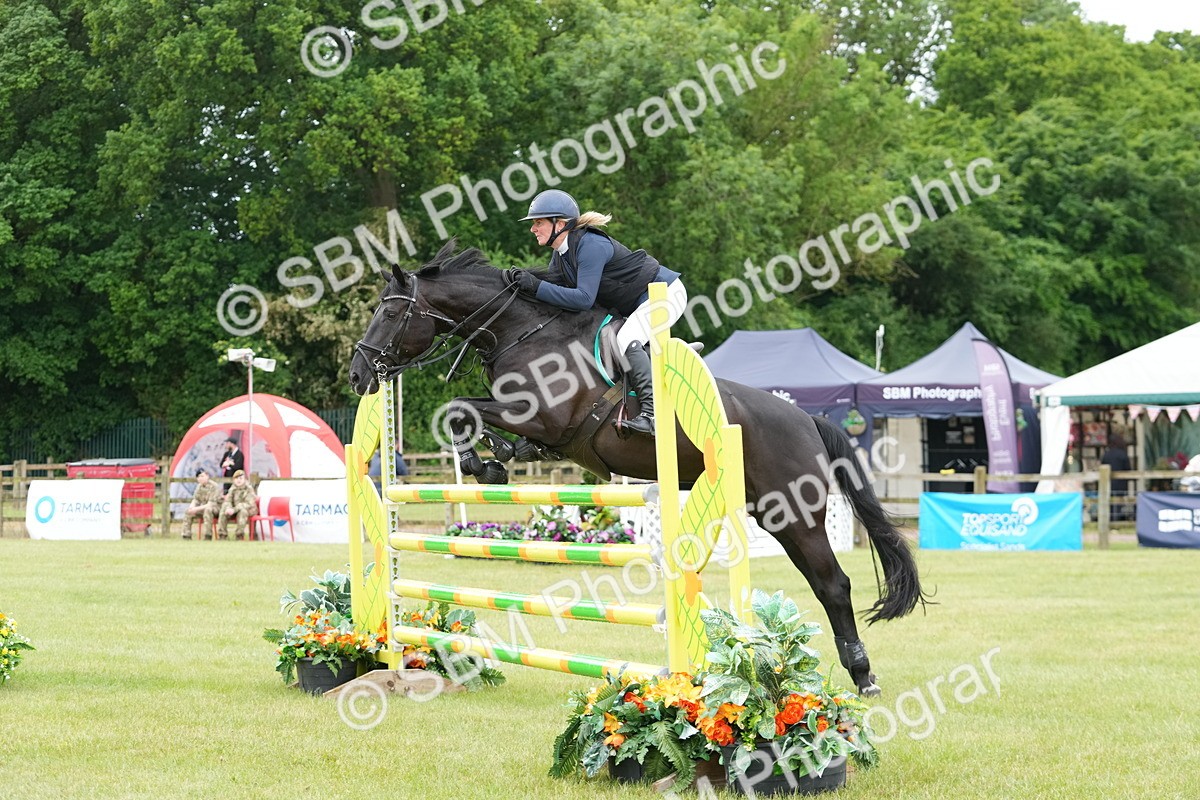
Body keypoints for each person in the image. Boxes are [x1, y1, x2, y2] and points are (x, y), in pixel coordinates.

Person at [507, 189, 688, 438]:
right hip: (636, 303)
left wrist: (536, 286)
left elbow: (583, 298)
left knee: (624, 340)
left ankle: (652, 414)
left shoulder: (590, 245)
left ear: (559, 223)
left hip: (664, 294)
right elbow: (555, 301)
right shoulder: (560, 257)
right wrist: (517, 291)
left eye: (538, 222)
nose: (533, 229)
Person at [218, 470, 258, 540]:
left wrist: (233, 510)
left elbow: (248, 504)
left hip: (248, 510)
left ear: (244, 479)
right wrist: (228, 508)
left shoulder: (248, 489)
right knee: (224, 507)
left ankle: (239, 535)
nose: (238, 480)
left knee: (243, 511)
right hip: (235, 510)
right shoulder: (233, 488)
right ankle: (222, 535)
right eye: (236, 478)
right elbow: (228, 500)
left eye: (240, 478)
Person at [1100, 434, 1132, 520]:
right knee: (1119, 501)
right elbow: (1128, 469)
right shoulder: (1123, 454)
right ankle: (1118, 518)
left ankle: (1110, 518)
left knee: (1109, 501)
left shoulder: (1106, 454)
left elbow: (1102, 466)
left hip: (1108, 482)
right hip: (1121, 483)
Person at [183, 469, 222, 539]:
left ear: (207, 476)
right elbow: (196, 499)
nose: (200, 478)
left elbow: (211, 504)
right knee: (188, 511)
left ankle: (208, 535)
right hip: (203, 508)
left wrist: (196, 509)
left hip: (216, 508)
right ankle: (186, 535)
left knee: (208, 510)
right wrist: (191, 507)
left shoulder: (214, 486)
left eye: (202, 476)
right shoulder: (199, 487)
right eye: (198, 477)